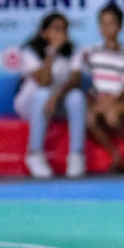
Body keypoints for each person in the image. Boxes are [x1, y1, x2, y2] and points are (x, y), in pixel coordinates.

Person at [16, 12, 86, 179]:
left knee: (76, 96)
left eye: (64, 29)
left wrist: (56, 96)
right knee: (42, 94)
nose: (61, 34)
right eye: (56, 29)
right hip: (31, 102)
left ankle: (76, 155)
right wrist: (52, 51)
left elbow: (76, 80)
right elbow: (43, 81)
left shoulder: (73, 50)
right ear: (44, 32)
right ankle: (34, 153)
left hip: (58, 102)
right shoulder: (30, 51)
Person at [80, 3, 124, 173]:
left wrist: (113, 99)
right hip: (100, 99)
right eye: (103, 24)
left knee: (112, 116)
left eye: (111, 23)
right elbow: (87, 82)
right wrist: (95, 100)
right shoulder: (93, 53)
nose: (107, 28)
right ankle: (115, 155)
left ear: (119, 27)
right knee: (89, 118)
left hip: (121, 100)